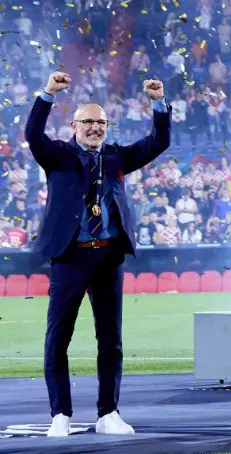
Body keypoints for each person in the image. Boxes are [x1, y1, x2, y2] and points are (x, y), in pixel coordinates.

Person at [29, 72, 171, 437]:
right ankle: (60, 414)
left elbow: (159, 141)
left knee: (110, 339)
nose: (95, 127)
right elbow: (33, 134)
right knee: (58, 336)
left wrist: (158, 102)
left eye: (101, 122)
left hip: (108, 257)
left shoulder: (117, 157)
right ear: (74, 126)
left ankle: (108, 412)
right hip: (70, 257)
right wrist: (48, 94)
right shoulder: (57, 156)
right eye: (88, 121)